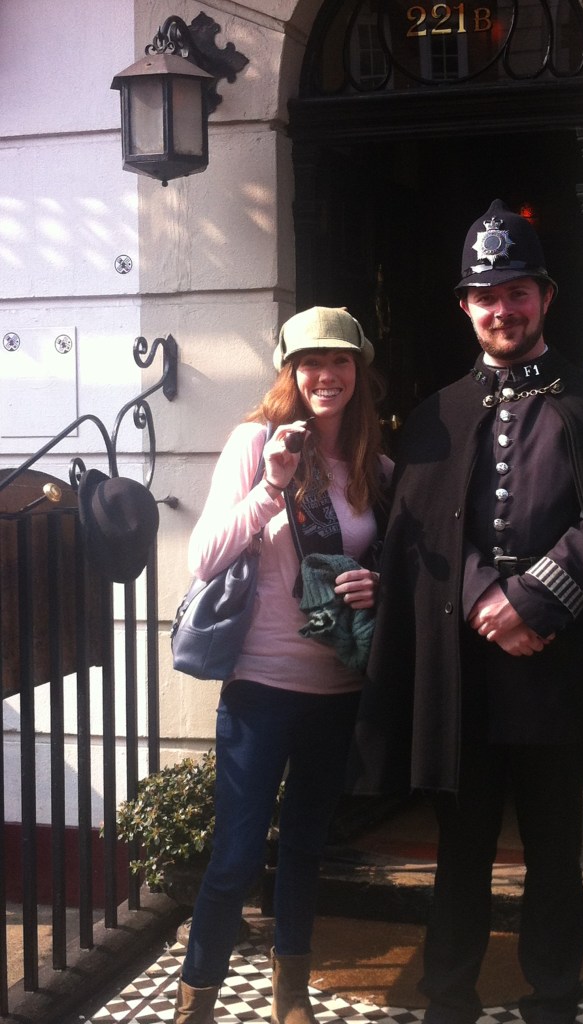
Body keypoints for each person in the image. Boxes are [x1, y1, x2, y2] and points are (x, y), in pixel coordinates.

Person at [352, 200, 583, 1024]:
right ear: (465, 307)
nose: (502, 309)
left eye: (517, 291)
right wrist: (484, 595)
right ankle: (448, 997)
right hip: (463, 672)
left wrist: (535, 601)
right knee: (462, 850)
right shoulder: (434, 415)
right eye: (486, 295)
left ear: (545, 297)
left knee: (554, 850)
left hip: (554, 669)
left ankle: (551, 997)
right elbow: (415, 529)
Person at [175, 306, 392, 1024]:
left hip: (339, 687)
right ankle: (195, 1003)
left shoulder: (375, 465)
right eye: (310, 363)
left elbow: (400, 565)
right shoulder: (256, 442)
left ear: (359, 371)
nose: (325, 376)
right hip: (260, 687)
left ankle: (289, 998)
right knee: (235, 856)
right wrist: (271, 484)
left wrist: (377, 582)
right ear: (289, 372)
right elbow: (202, 557)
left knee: (303, 846)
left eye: (339, 362)